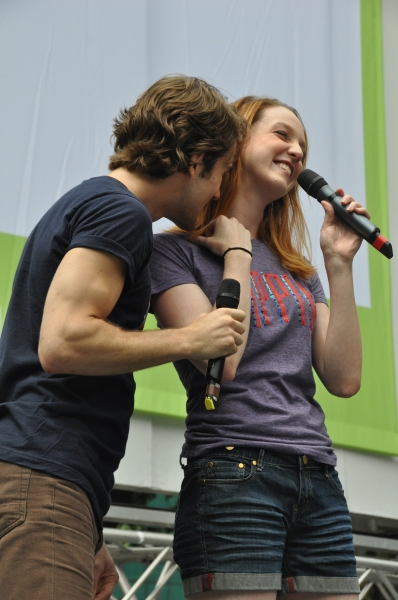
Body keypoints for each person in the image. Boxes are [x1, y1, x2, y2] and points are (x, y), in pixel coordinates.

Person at [0, 75, 248, 600]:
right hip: (41, 480)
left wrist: (86, 528)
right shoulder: (120, 212)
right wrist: (190, 339)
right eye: (221, 173)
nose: (215, 195)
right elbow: (63, 342)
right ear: (196, 160)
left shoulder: (96, 205)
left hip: (48, 486)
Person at [150, 96, 369, 600]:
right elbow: (218, 362)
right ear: (237, 139)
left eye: (303, 146)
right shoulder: (173, 250)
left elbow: (344, 379)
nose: (296, 151)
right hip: (233, 472)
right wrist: (238, 255)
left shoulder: (297, 270)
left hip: (317, 474)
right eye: (282, 134)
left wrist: (338, 265)